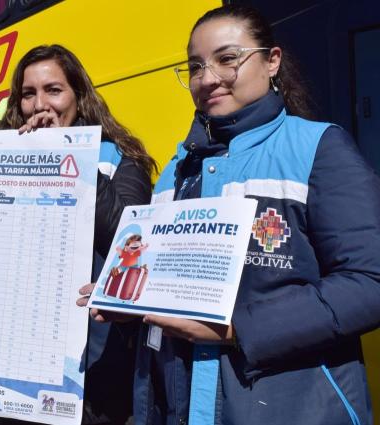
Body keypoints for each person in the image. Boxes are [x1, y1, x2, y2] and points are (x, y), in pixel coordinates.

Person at [82, 4, 380, 424]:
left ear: (272, 61)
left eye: (227, 59)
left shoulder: (319, 148)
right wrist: (130, 297)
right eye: (195, 67)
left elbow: (369, 283)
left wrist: (239, 330)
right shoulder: (175, 168)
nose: (208, 79)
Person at [0, 44, 157, 425]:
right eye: (29, 94)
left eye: (54, 90)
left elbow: (129, 240)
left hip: (93, 377)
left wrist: (67, 156)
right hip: (13, 374)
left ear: (79, 96)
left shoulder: (120, 161)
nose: (40, 105)